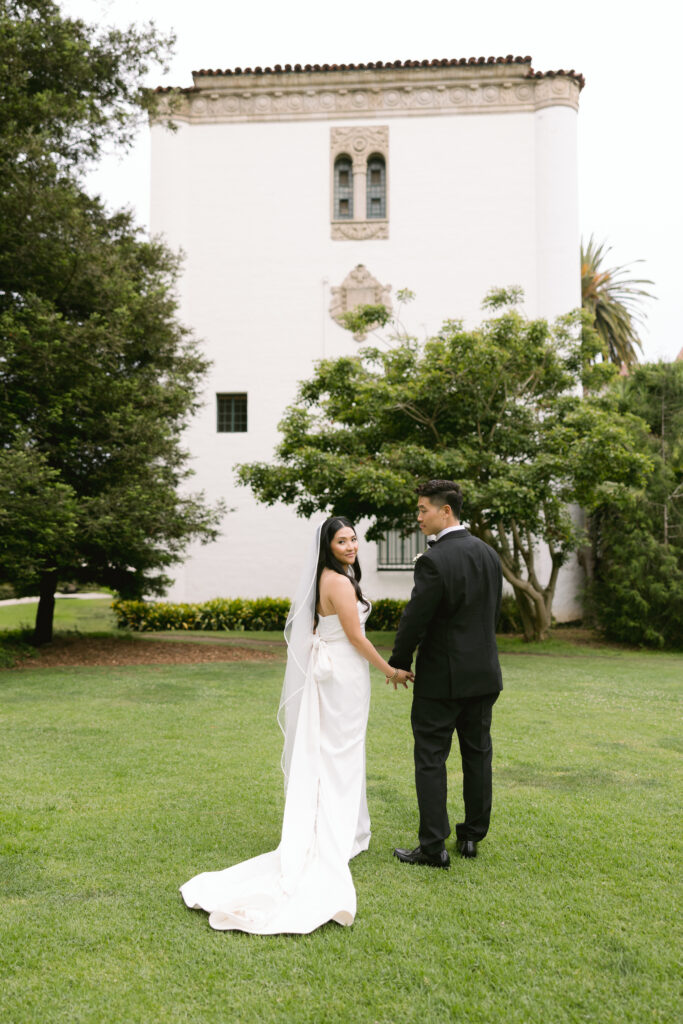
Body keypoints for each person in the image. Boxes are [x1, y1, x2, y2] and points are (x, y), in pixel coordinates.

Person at [180, 516, 412, 933]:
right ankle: (337, 834)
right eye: (342, 541)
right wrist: (389, 670)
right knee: (339, 752)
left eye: (354, 539)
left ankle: (344, 827)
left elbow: (315, 627)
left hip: (337, 673)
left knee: (336, 751)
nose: (351, 546)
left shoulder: (327, 578)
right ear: (327, 545)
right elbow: (357, 638)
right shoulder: (338, 582)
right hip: (343, 673)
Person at [388, 480, 503, 869]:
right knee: (478, 754)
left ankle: (434, 847)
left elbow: (414, 619)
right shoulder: (489, 554)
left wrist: (400, 661)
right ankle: (471, 836)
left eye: (423, 509)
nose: (418, 516)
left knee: (431, 758)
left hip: (441, 680)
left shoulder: (433, 560)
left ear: (446, 512)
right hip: (484, 674)